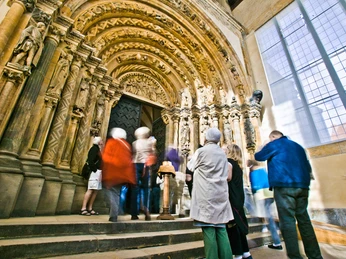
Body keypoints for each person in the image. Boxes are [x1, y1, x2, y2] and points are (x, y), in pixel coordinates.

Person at [255, 130, 323, 259]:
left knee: (287, 222)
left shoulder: (275, 144)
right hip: (302, 186)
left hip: (284, 186)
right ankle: (315, 255)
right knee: (304, 221)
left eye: (270, 139)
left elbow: (259, 156)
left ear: (274, 137)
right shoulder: (298, 146)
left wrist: (264, 145)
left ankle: (295, 256)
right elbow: (308, 168)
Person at [187, 128, 233, 259]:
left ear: (206, 138)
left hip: (206, 195)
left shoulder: (201, 151)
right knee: (221, 229)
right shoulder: (222, 154)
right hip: (220, 195)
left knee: (208, 230)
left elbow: (190, 166)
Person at [223, 144, 253, 259]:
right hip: (238, 197)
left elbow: (227, 177)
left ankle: (238, 254)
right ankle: (246, 252)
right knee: (238, 225)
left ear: (230, 152)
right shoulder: (237, 165)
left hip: (232, 197)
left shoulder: (228, 162)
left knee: (232, 226)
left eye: (226, 149)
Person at [247, 159, 282, 250]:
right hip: (270, 194)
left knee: (267, 216)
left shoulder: (253, 171)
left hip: (262, 194)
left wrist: (254, 193)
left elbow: (254, 185)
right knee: (268, 214)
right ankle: (267, 230)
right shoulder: (262, 169)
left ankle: (276, 241)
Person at [102, 128, 136, 222]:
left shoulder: (112, 142)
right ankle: (116, 212)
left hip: (112, 174)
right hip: (123, 176)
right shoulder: (127, 145)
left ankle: (115, 213)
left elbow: (106, 158)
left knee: (111, 193)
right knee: (116, 194)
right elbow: (129, 161)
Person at [131, 127, 156, 221]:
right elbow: (153, 152)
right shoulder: (149, 142)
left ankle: (134, 213)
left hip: (135, 164)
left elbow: (133, 154)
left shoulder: (134, 143)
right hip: (146, 165)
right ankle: (146, 208)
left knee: (135, 188)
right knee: (146, 189)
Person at [80, 136, 103, 216]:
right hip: (94, 172)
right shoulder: (94, 149)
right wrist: (95, 170)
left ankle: (90, 208)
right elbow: (90, 160)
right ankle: (83, 208)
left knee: (95, 191)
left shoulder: (98, 149)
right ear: (98, 141)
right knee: (90, 190)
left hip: (98, 172)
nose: (102, 141)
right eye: (101, 140)